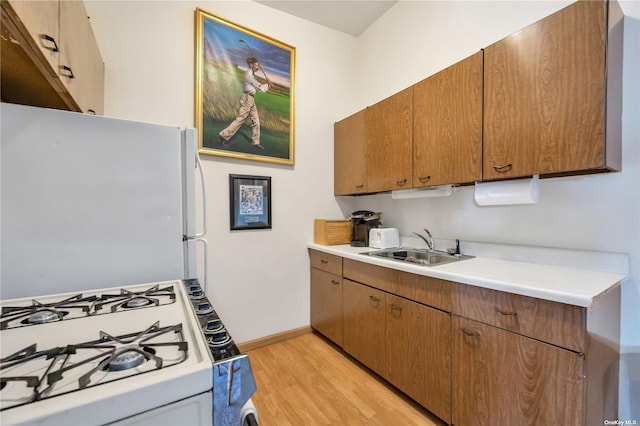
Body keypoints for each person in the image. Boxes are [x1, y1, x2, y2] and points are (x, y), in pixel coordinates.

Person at [219, 57, 272, 149]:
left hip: (251, 99)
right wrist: (267, 84)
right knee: (240, 119)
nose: (257, 66)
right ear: (251, 65)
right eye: (256, 65)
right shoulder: (248, 75)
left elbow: (258, 86)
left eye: (257, 65)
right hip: (247, 98)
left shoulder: (251, 74)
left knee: (256, 121)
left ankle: (255, 142)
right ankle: (223, 135)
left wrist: (267, 84)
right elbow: (259, 87)